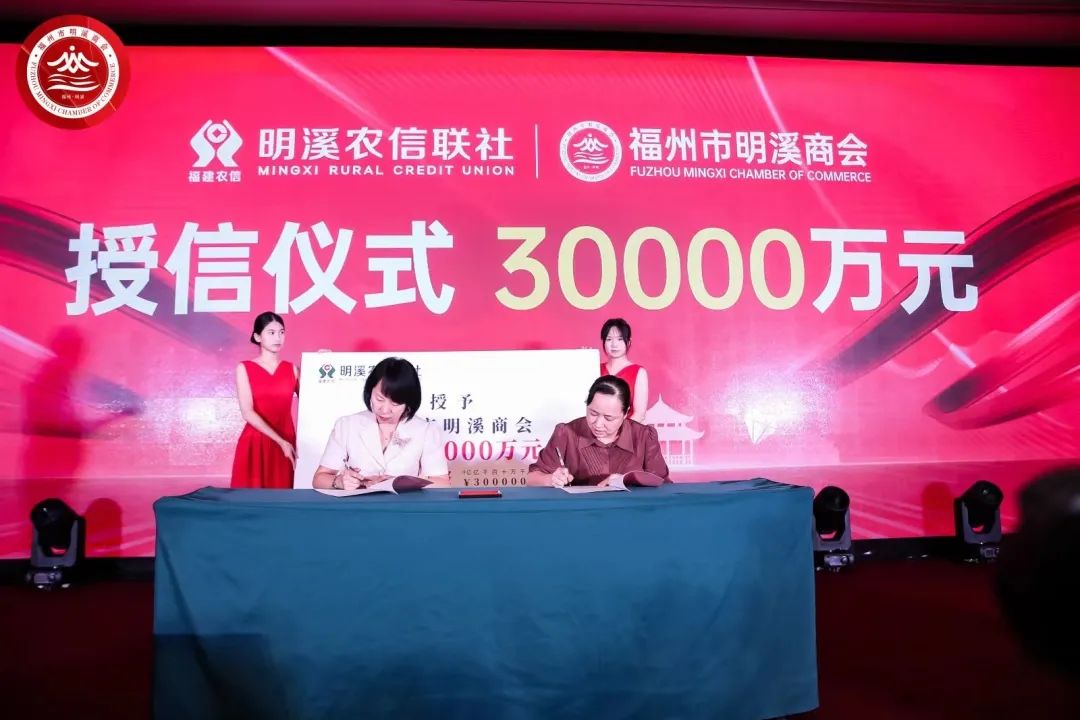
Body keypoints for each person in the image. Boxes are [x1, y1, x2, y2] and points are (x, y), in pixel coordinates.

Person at [313, 357, 450, 489]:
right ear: (369, 391)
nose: (384, 410)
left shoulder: (425, 430)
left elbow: (442, 482)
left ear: (409, 401)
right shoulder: (347, 425)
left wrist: (400, 483)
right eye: (379, 399)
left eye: (395, 403)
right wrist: (339, 481)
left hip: (404, 504)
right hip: (357, 503)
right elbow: (319, 479)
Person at [527, 375, 668, 487]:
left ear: (625, 413)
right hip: (581, 511)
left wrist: (627, 480)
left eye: (608, 418)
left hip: (631, 511)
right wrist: (550, 479)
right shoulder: (566, 433)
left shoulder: (644, 436)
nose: (598, 424)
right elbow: (531, 478)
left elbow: (662, 484)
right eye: (593, 413)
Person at [230, 312, 300, 489]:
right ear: (257, 337)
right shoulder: (244, 368)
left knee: (284, 499)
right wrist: (280, 441)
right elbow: (247, 412)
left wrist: (323, 361)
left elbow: (313, 400)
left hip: (287, 441)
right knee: (251, 500)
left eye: (281, 332)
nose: (278, 337)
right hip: (256, 442)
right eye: (271, 332)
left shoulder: (292, 369)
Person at [599, 318, 649, 422]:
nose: (614, 344)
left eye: (620, 339)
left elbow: (639, 414)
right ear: (603, 342)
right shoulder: (595, 369)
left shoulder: (638, 372)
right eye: (609, 339)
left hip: (628, 430)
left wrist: (615, 430)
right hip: (597, 429)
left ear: (629, 342)